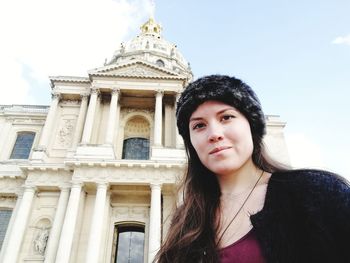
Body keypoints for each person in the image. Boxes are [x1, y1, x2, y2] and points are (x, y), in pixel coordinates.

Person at [155, 75, 350, 263]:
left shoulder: (317, 194)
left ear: (252, 125)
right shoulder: (184, 222)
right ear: (191, 143)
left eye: (226, 117)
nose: (214, 134)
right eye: (199, 125)